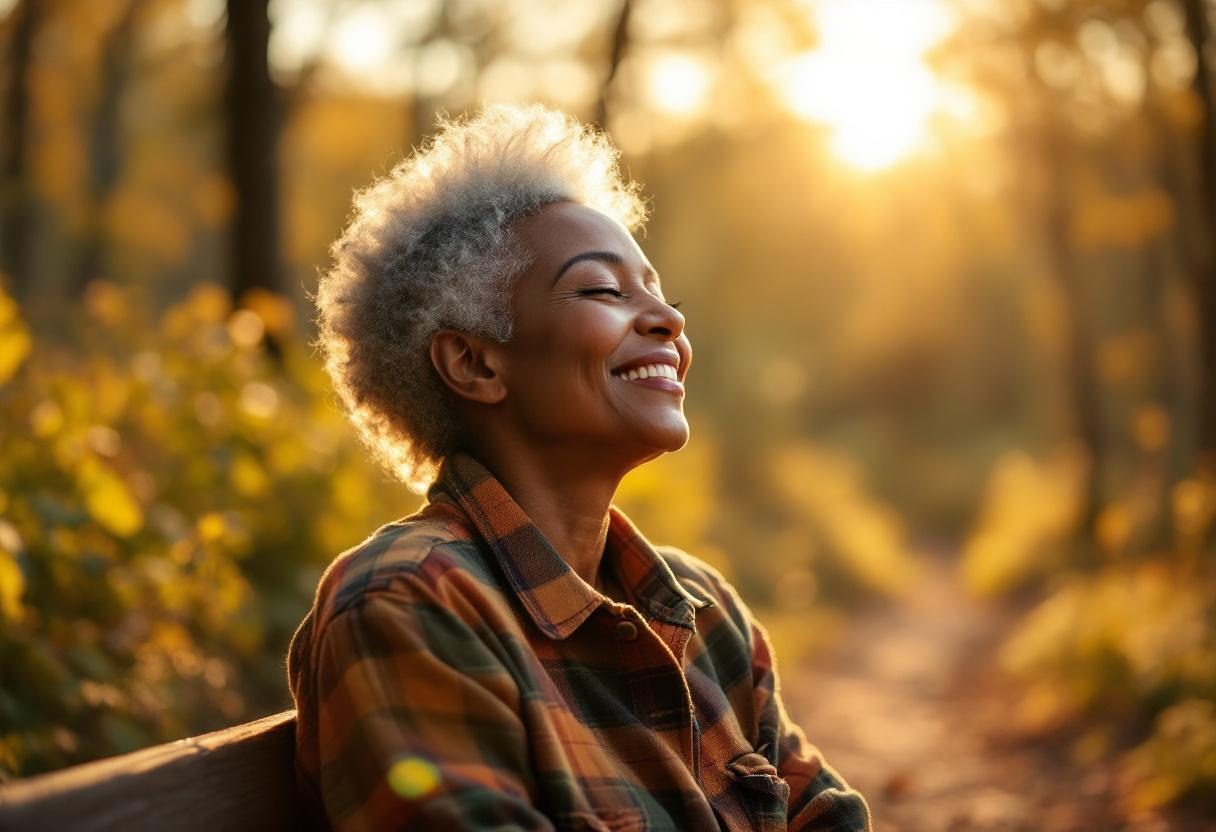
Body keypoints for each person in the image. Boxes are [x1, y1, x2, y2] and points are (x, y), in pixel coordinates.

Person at [287, 104, 872, 832]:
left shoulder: (706, 610)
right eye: (603, 290)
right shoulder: (410, 601)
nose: (668, 320)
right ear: (473, 362)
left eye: (661, 294)